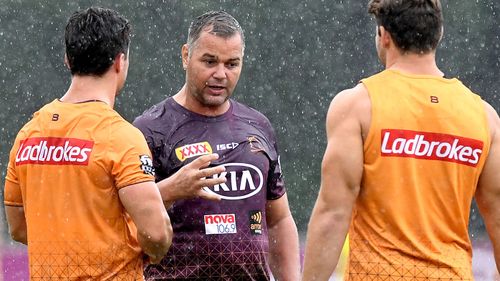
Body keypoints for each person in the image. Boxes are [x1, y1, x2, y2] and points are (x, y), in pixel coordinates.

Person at [302, 0, 500, 280]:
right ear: (439, 34)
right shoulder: (484, 116)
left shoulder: (358, 105)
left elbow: (333, 212)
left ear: (384, 36)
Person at [3, 7, 174, 280]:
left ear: (68, 61)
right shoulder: (121, 137)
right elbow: (156, 234)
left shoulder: (29, 134)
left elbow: (19, 227)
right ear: (120, 62)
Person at [133, 10, 300, 281]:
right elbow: (123, 215)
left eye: (232, 64)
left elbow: (279, 220)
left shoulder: (258, 126)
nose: (220, 74)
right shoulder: (150, 129)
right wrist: (172, 189)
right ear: (186, 55)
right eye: (209, 61)